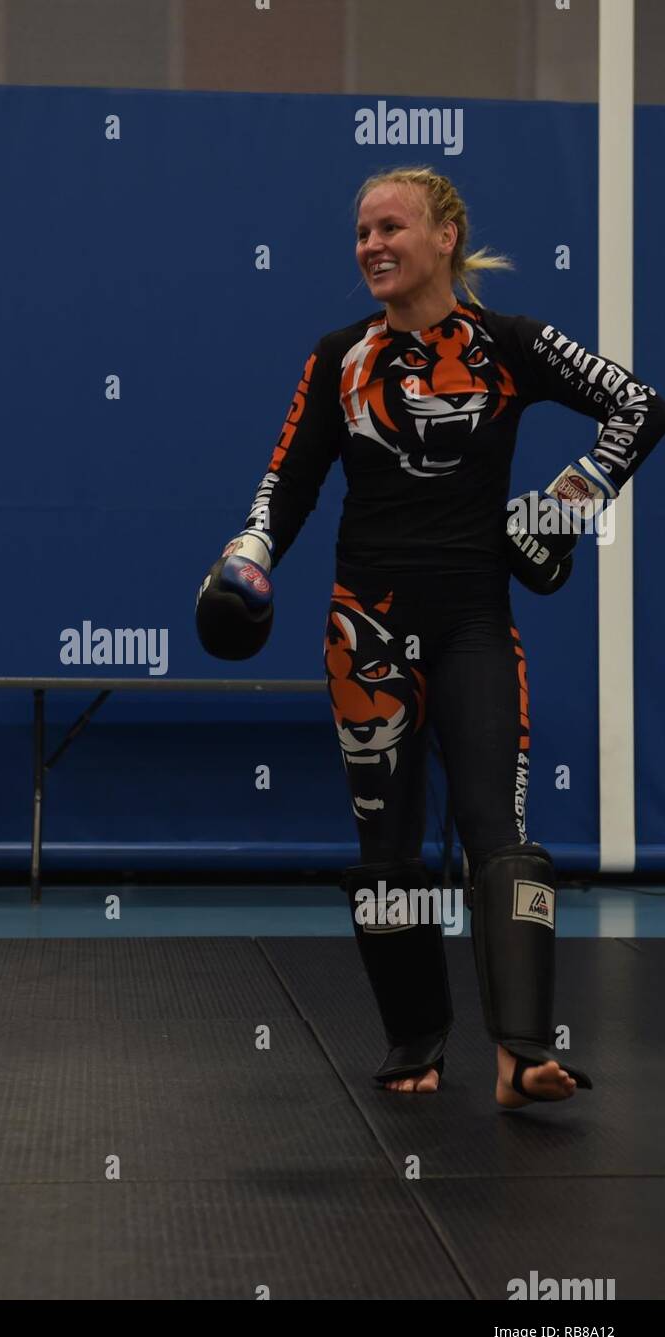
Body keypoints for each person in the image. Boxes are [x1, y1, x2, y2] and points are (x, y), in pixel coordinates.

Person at [197, 165, 665, 1106]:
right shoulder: (337, 358)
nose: (370, 245)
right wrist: (244, 559)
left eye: (390, 228)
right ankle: (414, 1040)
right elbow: (285, 482)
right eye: (361, 232)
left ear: (444, 237)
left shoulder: (510, 342)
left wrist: (566, 506)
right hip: (362, 631)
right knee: (389, 851)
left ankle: (520, 1052)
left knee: (502, 834)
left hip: (475, 625)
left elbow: (640, 404)